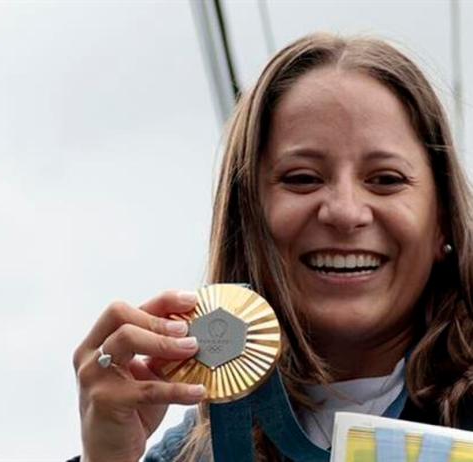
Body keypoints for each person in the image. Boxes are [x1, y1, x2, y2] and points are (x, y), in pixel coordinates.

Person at [70, 32, 473, 462]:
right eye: (302, 178)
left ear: (443, 220)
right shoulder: (192, 452)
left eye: (386, 179)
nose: (343, 211)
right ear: (248, 221)